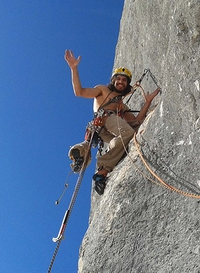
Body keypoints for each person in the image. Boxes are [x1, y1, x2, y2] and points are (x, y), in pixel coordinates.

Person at [64, 49, 160, 195]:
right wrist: (74, 68)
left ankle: (101, 173)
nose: (121, 82)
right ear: (113, 80)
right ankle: (85, 152)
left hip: (105, 130)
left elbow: (137, 121)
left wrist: (147, 102)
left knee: (126, 137)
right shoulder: (102, 90)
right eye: (119, 79)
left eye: (124, 80)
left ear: (127, 84)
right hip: (103, 121)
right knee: (127, 132)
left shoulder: (121, 105)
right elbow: (80, 92)